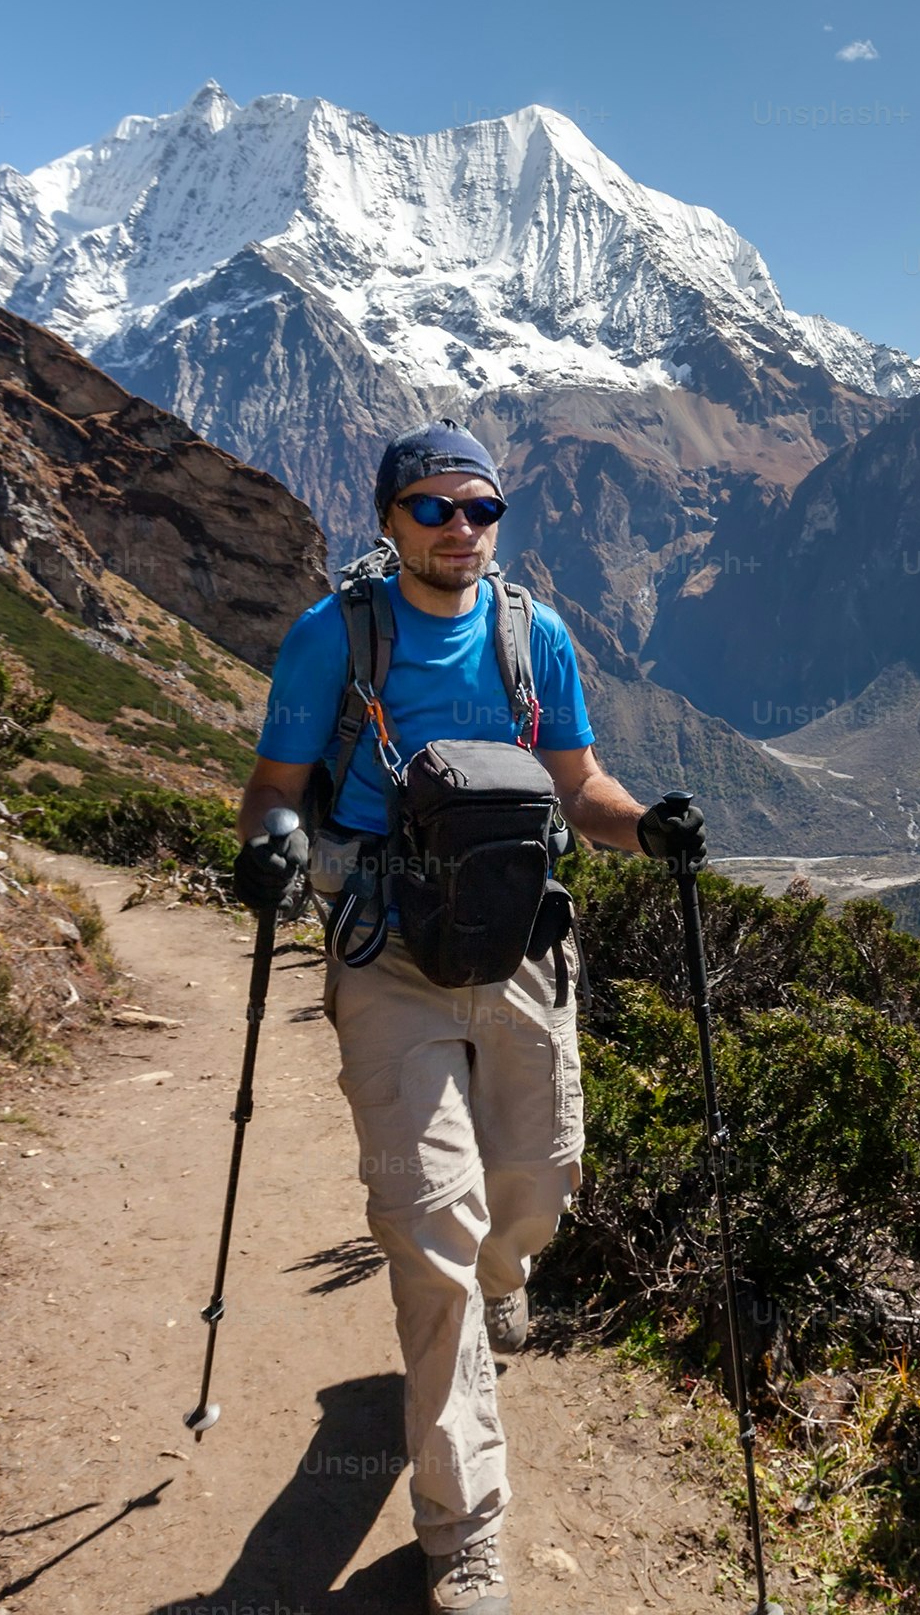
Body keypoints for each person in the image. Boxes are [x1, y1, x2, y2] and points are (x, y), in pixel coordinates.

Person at [233, 420, 707, 1615]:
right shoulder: (332, 638)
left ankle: (511, 1270)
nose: (459, 529)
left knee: (536, 1183)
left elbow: (576, 785)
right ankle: (463, 1528)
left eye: (480, 508)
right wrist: (268, 855)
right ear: (388, 517)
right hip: (387, 952)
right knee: (428, 1220)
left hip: (519, 948)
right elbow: (274, 793)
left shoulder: (530, 633)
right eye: (434, 508)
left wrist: (643, 825)